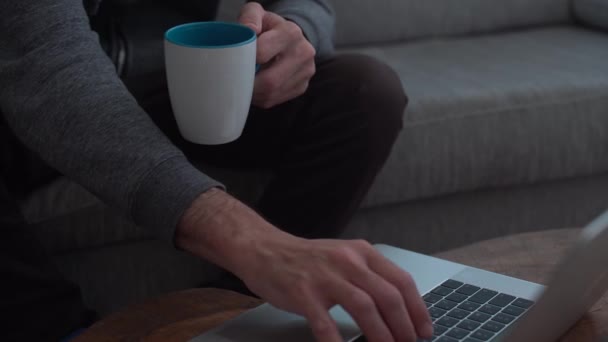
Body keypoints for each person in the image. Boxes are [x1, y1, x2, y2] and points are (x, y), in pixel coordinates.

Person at [0, 0, 433, 341]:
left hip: (169, 80)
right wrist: (256, 242)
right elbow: (47, 61)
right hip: (24, 97)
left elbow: (309, 3)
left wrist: (295, 30)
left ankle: (232, 314)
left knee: (363, 91)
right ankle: (65, 331)